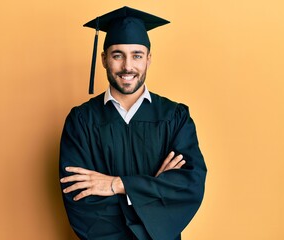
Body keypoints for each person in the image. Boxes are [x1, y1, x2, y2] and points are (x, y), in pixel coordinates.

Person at [59, 6, 207, 240]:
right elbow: (80, 201)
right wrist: (154, 188)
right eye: (118, 55)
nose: (128, 66)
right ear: (104, 59)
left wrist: (117, 185)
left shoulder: (175, 117)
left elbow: (188, 187)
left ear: (148, 59)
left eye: (137, 55)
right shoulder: (81, 122)